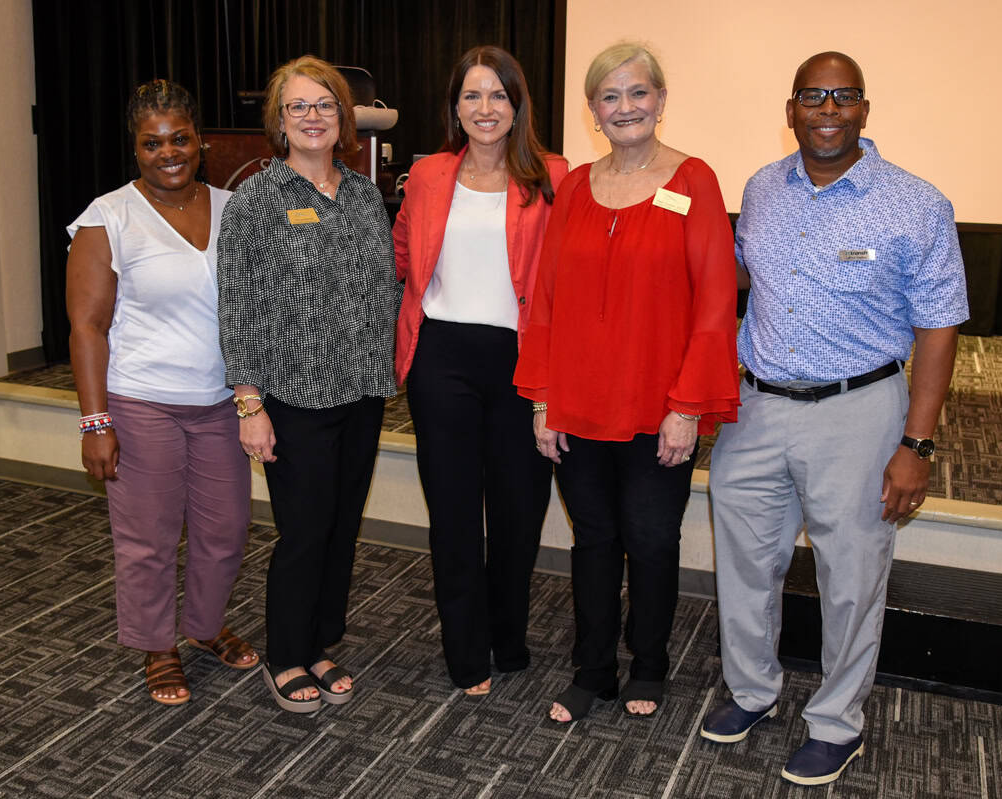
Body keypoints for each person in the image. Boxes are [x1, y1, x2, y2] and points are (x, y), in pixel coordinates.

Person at [700, 52, 969, 786]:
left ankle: (836, 721)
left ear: (863, 110)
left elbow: (940, 327)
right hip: (757, 407)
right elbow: (746, 276)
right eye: (813, 96)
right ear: (790, 109)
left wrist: (916, 443)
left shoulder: (916, 203)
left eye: (843, 97)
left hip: (859, 410)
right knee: (748, 564)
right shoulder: (761, 189)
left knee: (851, 577)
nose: (828, 108)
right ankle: (752, 691)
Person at [515, 42, 739, 722]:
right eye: (609, 98)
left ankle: (648, 663)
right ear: (593, 112)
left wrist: (687, 407)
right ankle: (592, 669)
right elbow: (546, 298)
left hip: (658, 407)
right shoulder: (576, 187)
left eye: (637, 93)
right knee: (594, 540)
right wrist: (544, 398)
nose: (625, 108)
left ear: (661, 100)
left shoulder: (695, 181)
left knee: (649, 539)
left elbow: (712, 305)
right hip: (578, 405)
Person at [66, 79, 258, 707]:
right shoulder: (109, 216)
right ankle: (156, 645)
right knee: (148, 535)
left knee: (225, 528)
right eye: (153, 143)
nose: (168, 152)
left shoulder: (235, 208)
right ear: (136, 147)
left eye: (180, 138)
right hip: (140, 398)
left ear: (200, 140)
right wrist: (96, 423)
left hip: (220, 401)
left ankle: (202, 629)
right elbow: (87, 327)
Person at [217, 55, 399, 713]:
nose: (313, 116)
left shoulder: (360, 195)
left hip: (362, 391)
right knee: (304, 529)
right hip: (292, 398)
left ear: (343, 118)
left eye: (325, 104)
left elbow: (382, 287)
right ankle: (287, 654)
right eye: (299, 106)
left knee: (342, 525)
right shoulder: (256, 201)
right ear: (279, 120)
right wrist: (248, 400)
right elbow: (235, 302)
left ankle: (322, 640)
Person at [393, 46, 568, 698]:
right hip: (442, 359)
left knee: (521, 513)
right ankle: (467, 651)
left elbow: (560, 280)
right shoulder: (430, 174)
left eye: (498, 95)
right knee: (457, 515)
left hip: (523, 361)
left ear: (518, 105)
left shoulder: (552, 175)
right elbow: (405, 255)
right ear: (455, 107)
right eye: (472, 96)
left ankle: (507, 632)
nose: (485, 108)